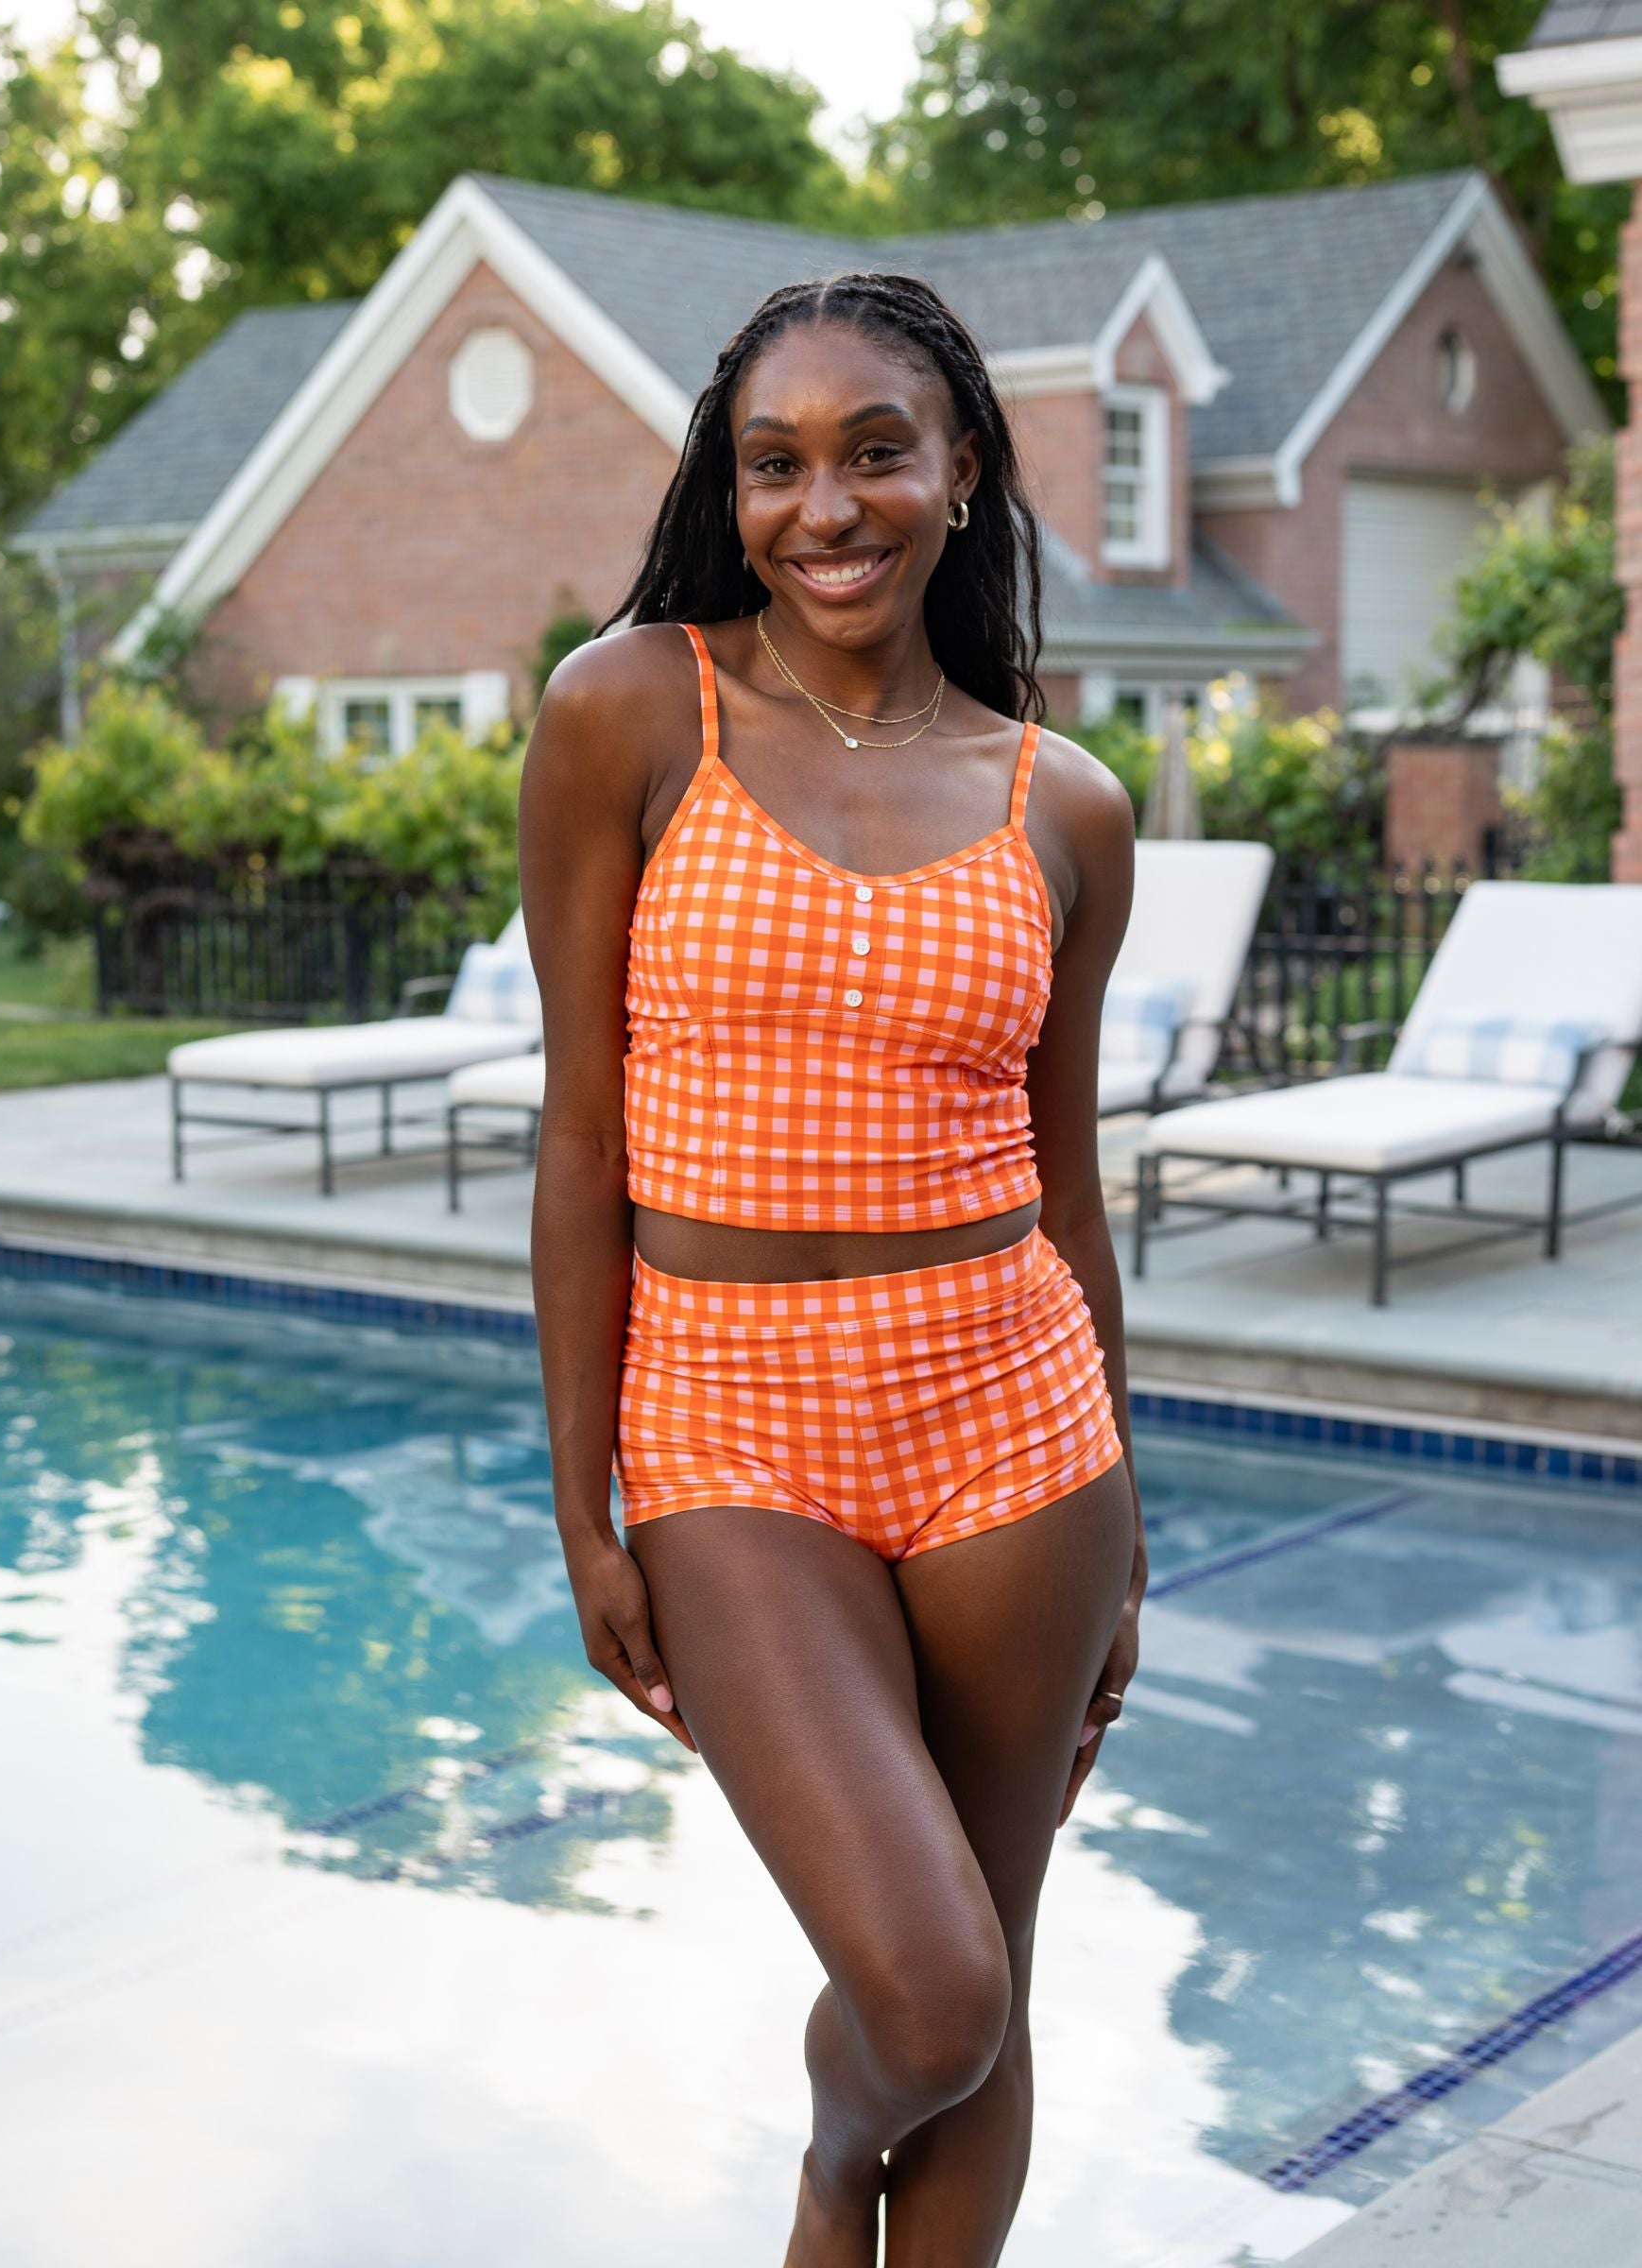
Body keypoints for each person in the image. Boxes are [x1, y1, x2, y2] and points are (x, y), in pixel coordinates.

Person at [518, 270, 1147, 2268]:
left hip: (1015, 1417)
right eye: (774, 464)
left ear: (960, 473)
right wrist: (586, 1510)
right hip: (729, 1422)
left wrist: (1130, 1526)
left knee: (999, 1960)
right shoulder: (630, 711)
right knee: (929, 1997)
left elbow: (1070, 1188)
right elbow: (579, 1140)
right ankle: (826, 2173)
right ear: (734, 492)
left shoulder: (1067, 802)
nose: (826, 506)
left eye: (877, 452)